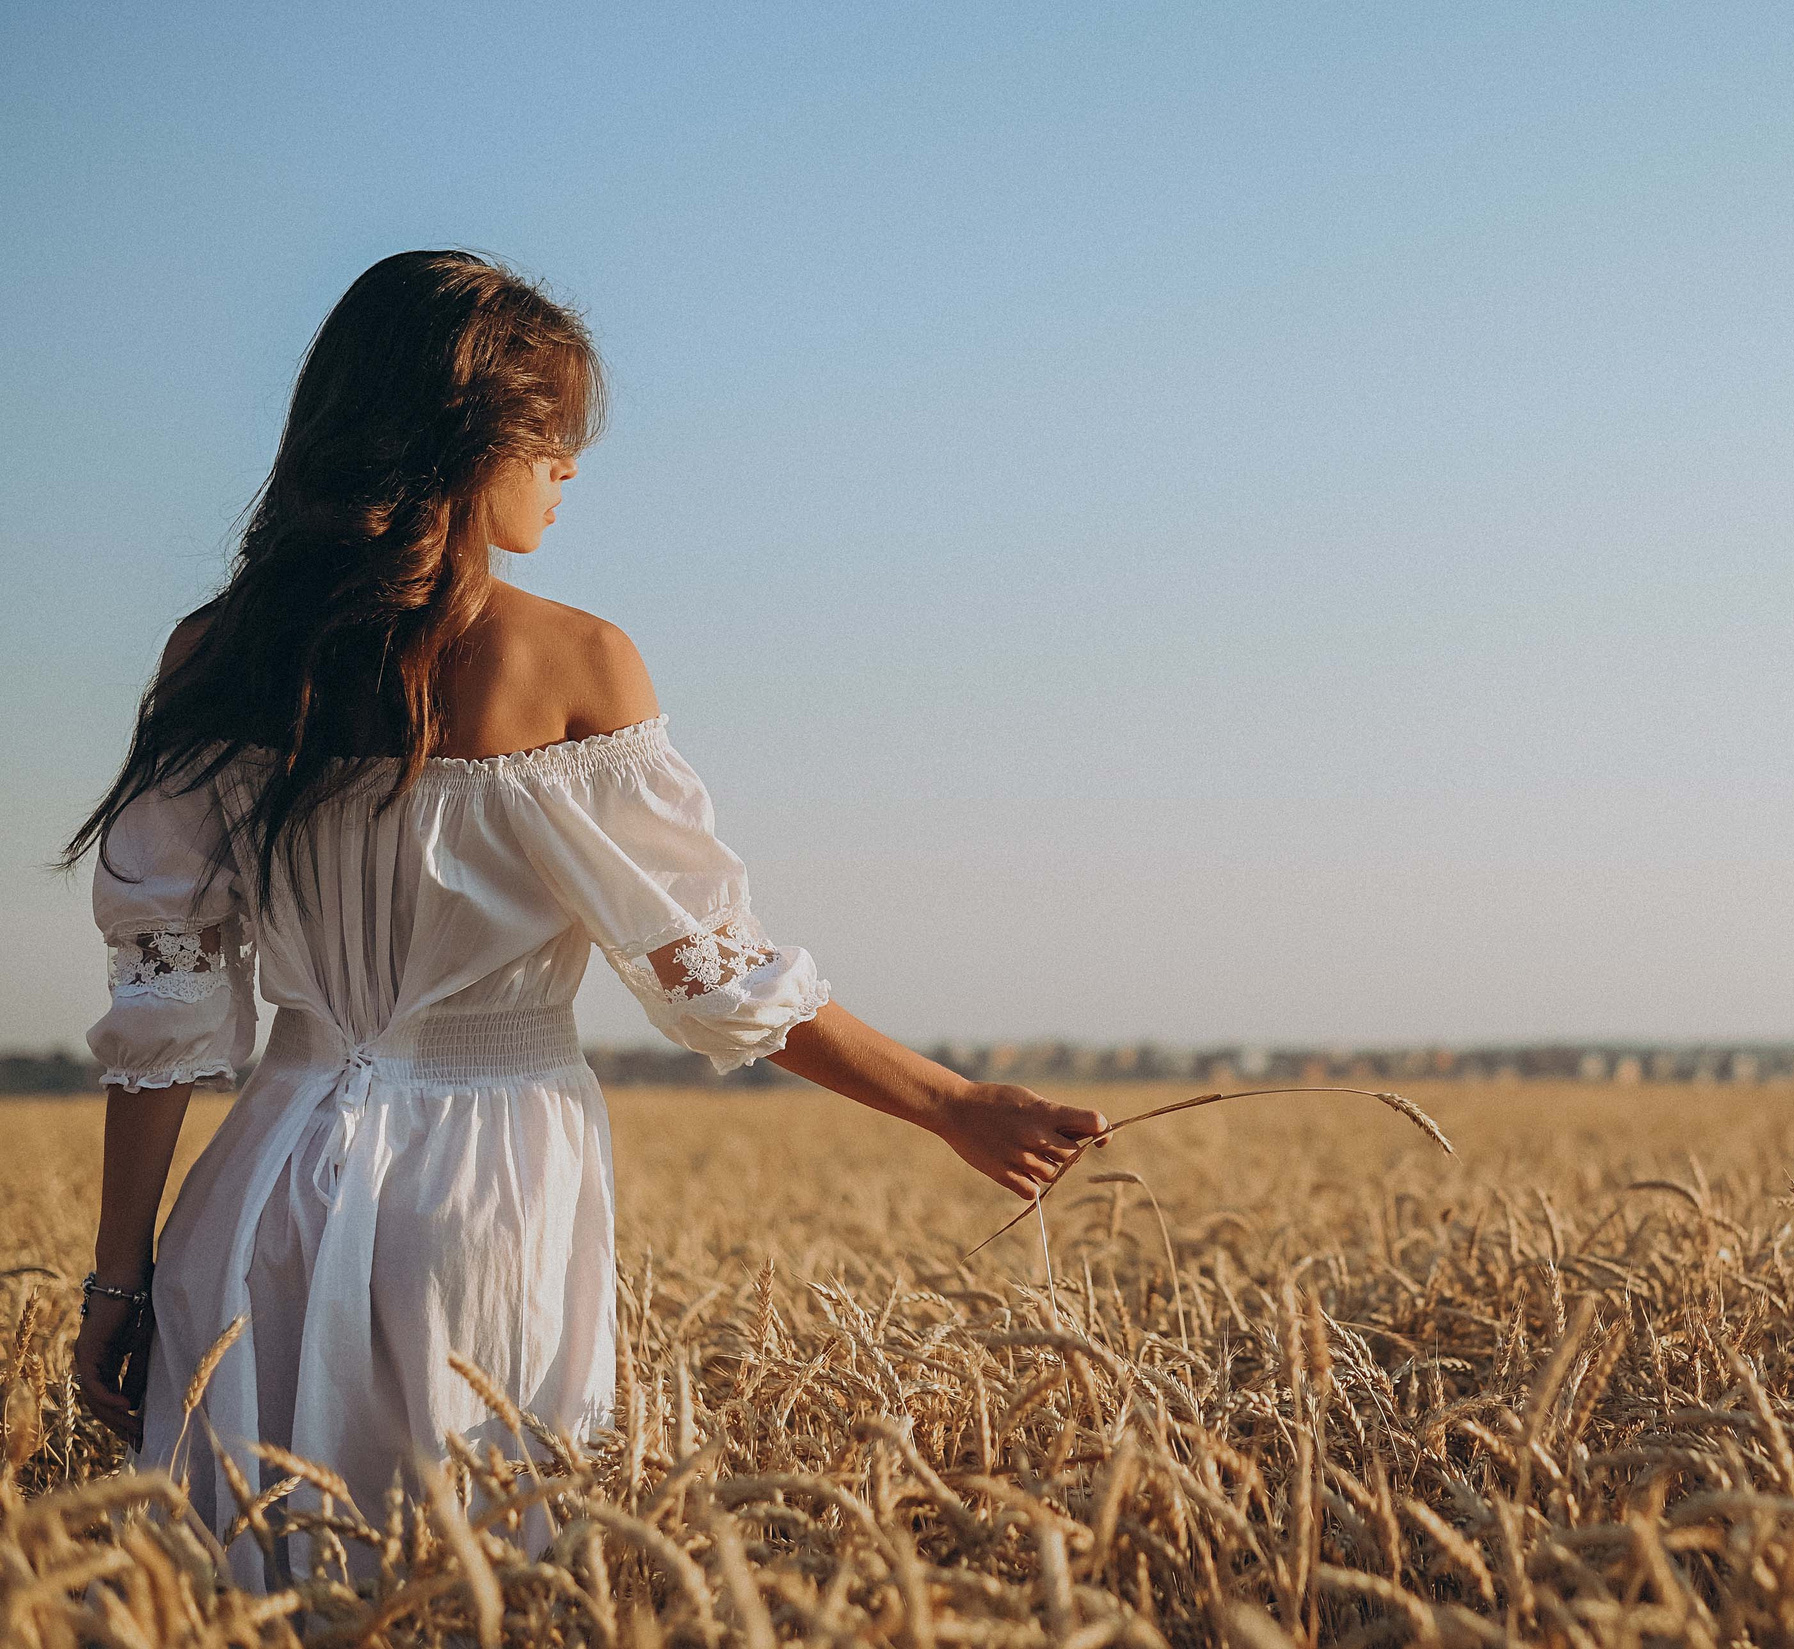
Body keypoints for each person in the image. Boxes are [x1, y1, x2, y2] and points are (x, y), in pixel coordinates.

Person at [56, 249, 1108, 1594]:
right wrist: (951, 1101)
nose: (569, 464)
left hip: (262, 1196)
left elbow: (165, 1011)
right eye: (547, 432)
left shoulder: (218, 658)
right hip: (490, 1197)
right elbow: (719, 985)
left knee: (245, 1596)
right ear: (460, 439)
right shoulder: (579, 665)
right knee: (486, 1584)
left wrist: (119, 1279)